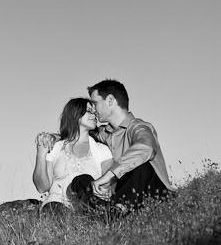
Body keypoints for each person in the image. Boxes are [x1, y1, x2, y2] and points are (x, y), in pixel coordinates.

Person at [67, 79, 175, 211]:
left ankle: (117, 210)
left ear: (110, 100)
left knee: (140, 166)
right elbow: (79, 133)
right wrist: (52, 138)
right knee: (80, 180)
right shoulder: (104, 133)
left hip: (155, 193)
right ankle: (105, 211)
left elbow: (147, 147)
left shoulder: (139, 127)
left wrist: (108, 176)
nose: (93, 110)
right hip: (121, 194)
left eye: (95, 103)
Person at [33, 98, 113, 212]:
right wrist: (41, 154)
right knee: (54, 209)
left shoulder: (102, 150)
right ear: (75, 114)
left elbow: (108, 186)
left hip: (87, 207)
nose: (94, 115)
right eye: (89, 111)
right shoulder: (55, 148)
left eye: (94, 112)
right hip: (57, 204)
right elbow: (42, 187)